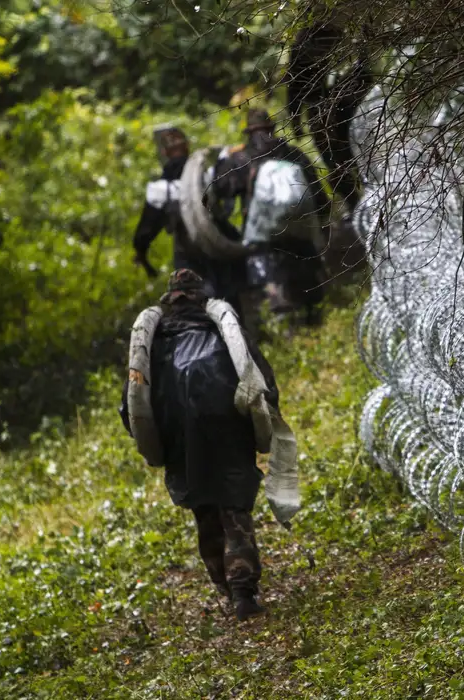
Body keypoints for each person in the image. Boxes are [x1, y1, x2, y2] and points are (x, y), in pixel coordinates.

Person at [119, 269, 277, 621]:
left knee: (204, 509)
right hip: (228, 426)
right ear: (200, 296)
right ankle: (242, 590)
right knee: (233, 507)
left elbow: (131, 402)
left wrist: (149, 437)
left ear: (171, 299)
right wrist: (269, 419)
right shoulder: (224, 330)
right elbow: (260, 377)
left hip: (180, 436)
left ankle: (225, 583)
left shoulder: (155, 341)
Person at [208, 108, 329, 326]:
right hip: (299, 239)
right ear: (272, 129)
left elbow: (221, 188)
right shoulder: (295, 155)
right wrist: (319, 232)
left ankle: (281, 332)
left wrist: (222, 163)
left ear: (249, 132)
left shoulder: (240, 157)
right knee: (308, 295)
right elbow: (320, 199)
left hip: (262, 243)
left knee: (270, 300)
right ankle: (312, 327)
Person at [133, 125, 246, 312]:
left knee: (192, 305)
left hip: (187, 254)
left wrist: (141, 252)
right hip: (219, 248)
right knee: (231, 303)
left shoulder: (162, 189)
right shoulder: (206, 175)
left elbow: (147, 228)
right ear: (187, 147)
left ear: (165, 152)